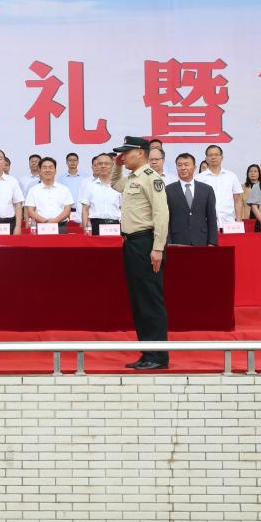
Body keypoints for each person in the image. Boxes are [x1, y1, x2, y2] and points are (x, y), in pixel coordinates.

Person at [111, 136, 169, 371]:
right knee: (138, 300)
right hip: (131, 243)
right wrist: (116, 166)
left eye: (127, 153)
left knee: (150, 300)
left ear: (141, 153)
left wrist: (158, 248)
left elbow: (161, 214)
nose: (123, 157)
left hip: (146, 243)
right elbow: (115, 184)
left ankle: (158, 356)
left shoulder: (151, 178)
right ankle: (147, 352)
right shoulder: (133, 178)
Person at [166, 153, 218, 246]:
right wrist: (168, 243)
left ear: (194, 167)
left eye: (186, 164)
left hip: (201, 240)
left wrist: (212, 242)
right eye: (179, 165)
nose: (183, 168)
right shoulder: (168, 190)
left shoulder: (206, 189)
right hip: (177, 241)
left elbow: (212, 218)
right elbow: (166, 219)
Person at [196, 145, 244, 229]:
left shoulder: (231, 176)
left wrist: (239, 222)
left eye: (216, 155)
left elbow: (238, 201)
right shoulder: (198, 178)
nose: (213, 157)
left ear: (222, 157)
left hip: (229, 223)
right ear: (206, 159)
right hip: (206, 224)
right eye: (210, 155)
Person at [24, 157, 74, 233]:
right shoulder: (33, 190)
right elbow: (30, 211)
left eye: (50, 167)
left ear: (55, 171)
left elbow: (67, 210)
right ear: (39, 171)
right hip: (40, 227)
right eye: (44, 167)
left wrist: (54, 221)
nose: (48, 170)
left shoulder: (64, 189)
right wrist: (45, 221)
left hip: (60, 226)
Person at [80, 153, 121, 235]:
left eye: (106, 163)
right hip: (95, 225)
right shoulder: (89, 186)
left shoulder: (119, 186)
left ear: (112, 165)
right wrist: (86, 230)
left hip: (115, 226)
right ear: (96, 166)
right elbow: (85, 210)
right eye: (100, 164)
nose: (103, 166)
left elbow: (124, 209)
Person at [58, 152, 87, 222]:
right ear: (66, 162)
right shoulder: (61, 179)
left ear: (78, 162)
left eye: (74, 160)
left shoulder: (85, 177)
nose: (72, 162)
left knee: (80, 228)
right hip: (66, 211)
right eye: (70, 160)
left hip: (81, 210)